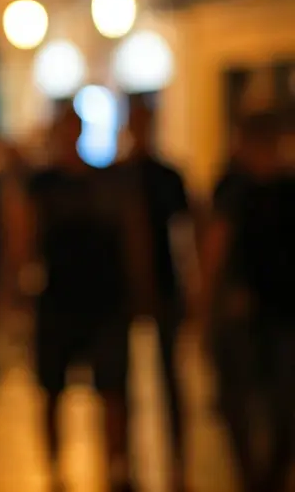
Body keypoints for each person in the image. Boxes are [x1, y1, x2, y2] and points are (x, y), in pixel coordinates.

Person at [5, 106, 148, 492]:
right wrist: (18, 289)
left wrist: (139, 287)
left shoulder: (109, 181)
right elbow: (22, 236)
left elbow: (132, 235)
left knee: (112, 388)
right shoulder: (43, 183)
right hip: (58, 300)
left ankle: (116, 465)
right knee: (52, 391)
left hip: (104, 298)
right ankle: (55, 468)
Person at [202, 111, 295, 492]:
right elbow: (216, 248)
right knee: (244, 398)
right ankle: (254, 476)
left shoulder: (283, 188)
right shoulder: (234, 188)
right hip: (245, 311)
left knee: (279, 401)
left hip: (281, 309)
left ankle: (266, 477)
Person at [116, 100, 194, 489]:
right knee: (121, 381)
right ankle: (123, 461)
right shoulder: (116, 177)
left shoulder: (168, 176)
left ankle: (179, 458)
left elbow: (185, 235)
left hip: (165, 287)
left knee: (171, 380)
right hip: (123, 293)